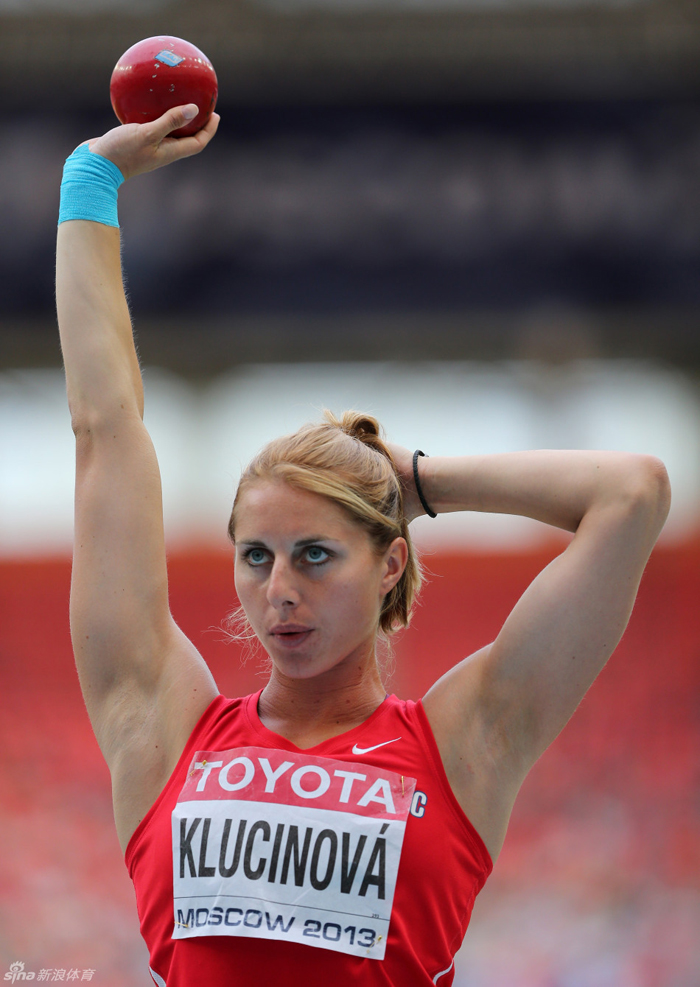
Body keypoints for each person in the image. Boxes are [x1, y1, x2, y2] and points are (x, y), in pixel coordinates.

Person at [56, 104, 671, 987]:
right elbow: (103, 430)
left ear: (389, 564)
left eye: (316, 555)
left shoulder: (466, 741)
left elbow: (632, 491)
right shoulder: (161, 725)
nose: (279, 590)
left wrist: (422, 483)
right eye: (257, 555)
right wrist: (89, 183)